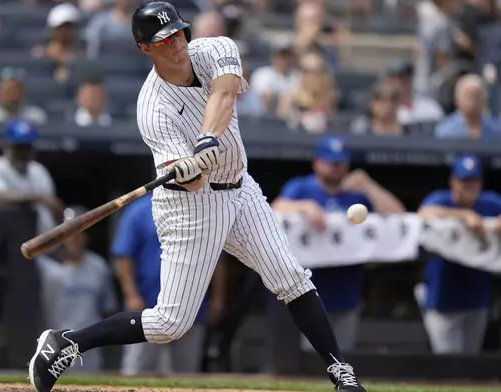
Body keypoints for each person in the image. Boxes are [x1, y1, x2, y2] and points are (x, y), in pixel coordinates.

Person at [27, 2, 366, 392]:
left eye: (177, 33)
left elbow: (224, 94)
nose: (175, 44)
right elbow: (191, 184)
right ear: (145, 48)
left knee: (290, 277)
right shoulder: (153, 107)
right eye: (163, 40)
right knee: (171, 323)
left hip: (241, 188)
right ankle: (67, 343)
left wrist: (205, 142)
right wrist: (190, 170)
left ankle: (341, 372)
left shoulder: (216, 48)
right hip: (190, 206)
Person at [272, 135, 405, 351]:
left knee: (342, 361)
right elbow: (274, 209)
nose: (337, 168)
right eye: (332, 163)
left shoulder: (355, 194)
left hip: (347, 292)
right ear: (317, 163)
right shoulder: (301, 188)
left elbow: (398, 215)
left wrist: (368, 186)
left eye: (341, 163)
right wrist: (305, 207)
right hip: (308, 292)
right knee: (311, 360)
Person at [416, 155, 501, 354]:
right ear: (453, 181)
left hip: (476, 297)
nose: (469, 186)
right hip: (442, 298)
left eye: (473, 181)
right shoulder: (441, 199)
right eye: (464, 181)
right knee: (447, 363)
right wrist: (464, 215)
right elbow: (423, 212)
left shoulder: (490, 201)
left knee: (470, 364)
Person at [111, 193, 225, 375]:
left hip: (191, 304)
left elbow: (216, 258)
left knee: (186, 373)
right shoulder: (140, 209)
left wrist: (218, 297)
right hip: (147, 304)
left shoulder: (203, 209)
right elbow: (124, 256)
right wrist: (131, 294)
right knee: (137, 370)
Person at [36, 206, 118, 373]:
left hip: (89, 346)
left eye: (79, 232)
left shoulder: (98, 267)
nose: (74, 238)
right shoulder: (47, 270)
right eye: (69, 233)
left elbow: (108, 309)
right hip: (54, 346)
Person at [0, 119, 63, 235]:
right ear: (6, 144)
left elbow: (52, 207)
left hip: (44, 241)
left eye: (27, 147)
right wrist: (38, 198)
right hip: (7, 241)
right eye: (19, 147)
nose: (23, 152)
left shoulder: (39, 170)